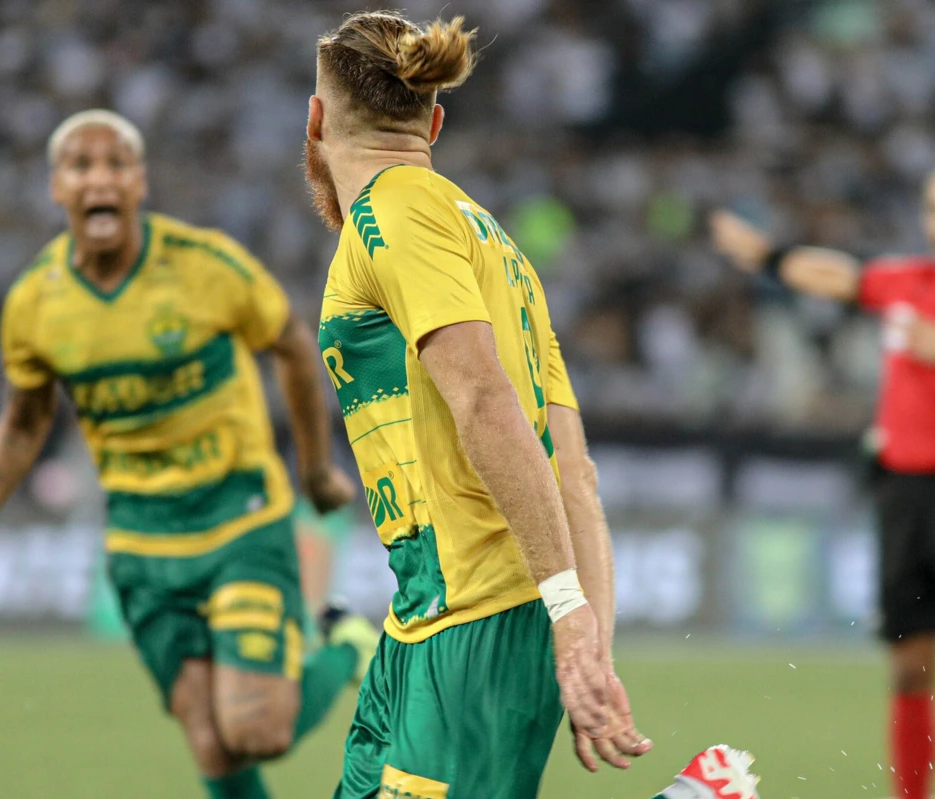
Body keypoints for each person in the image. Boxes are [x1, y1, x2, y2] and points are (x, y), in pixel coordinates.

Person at [305, 10, 759, 799]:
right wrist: (589, 642)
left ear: (315, 121)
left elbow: (483, 398)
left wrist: (566, 608)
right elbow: (574, 469)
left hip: (481, 612)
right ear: (434, 121)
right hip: (422, 615)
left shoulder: (394, 214)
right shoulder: (497, 247)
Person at [0, 109, 378, 799]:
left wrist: (313, 465)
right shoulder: (37, 304)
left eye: (115, 164)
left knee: (256, 730)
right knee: (212, 745)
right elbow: (21, 424)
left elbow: (292, 345)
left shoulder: (205, 265)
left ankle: (347, 648)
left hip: (240, 517)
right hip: (142, 540)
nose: (99, 177)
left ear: (139, 182)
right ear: (56, 188)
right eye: (80, 165)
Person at [711, 198, 935, 799]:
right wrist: (768, 256)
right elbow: (839, 275)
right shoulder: (908, 282)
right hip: (906, 492)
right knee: (910, 662)